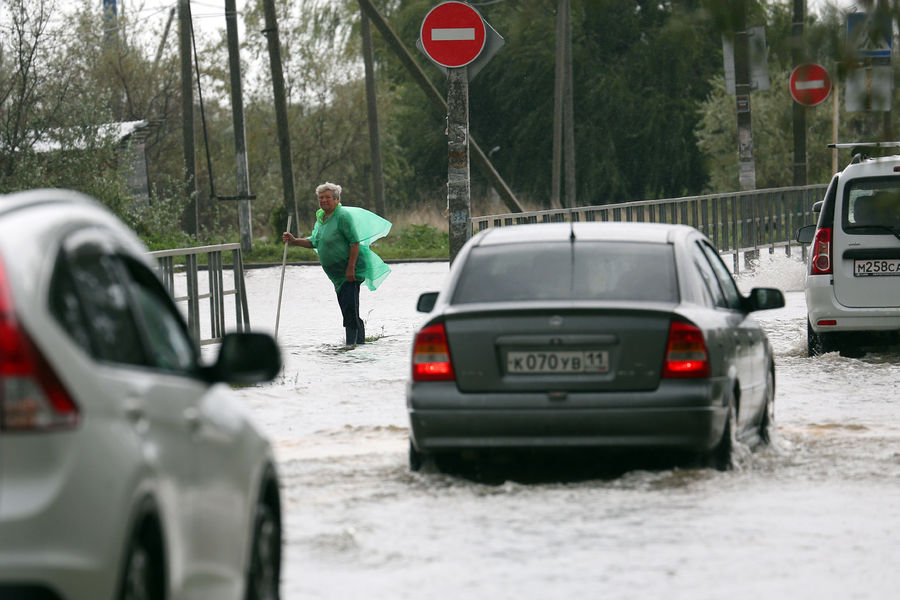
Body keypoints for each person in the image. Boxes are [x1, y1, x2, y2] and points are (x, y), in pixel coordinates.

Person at [283, 182, 391, 346]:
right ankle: (359, 344)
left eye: (327, 197)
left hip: (350, 272)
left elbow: (354, 243)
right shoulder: (322, 218)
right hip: (337, 276)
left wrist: (350, 269)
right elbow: (314, 241)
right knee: (348, 309)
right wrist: (294, 241)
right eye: (321, 198)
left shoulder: (342, 216)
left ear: (336, 199)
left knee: (349, 310)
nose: (324, 200)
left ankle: (351, 348)